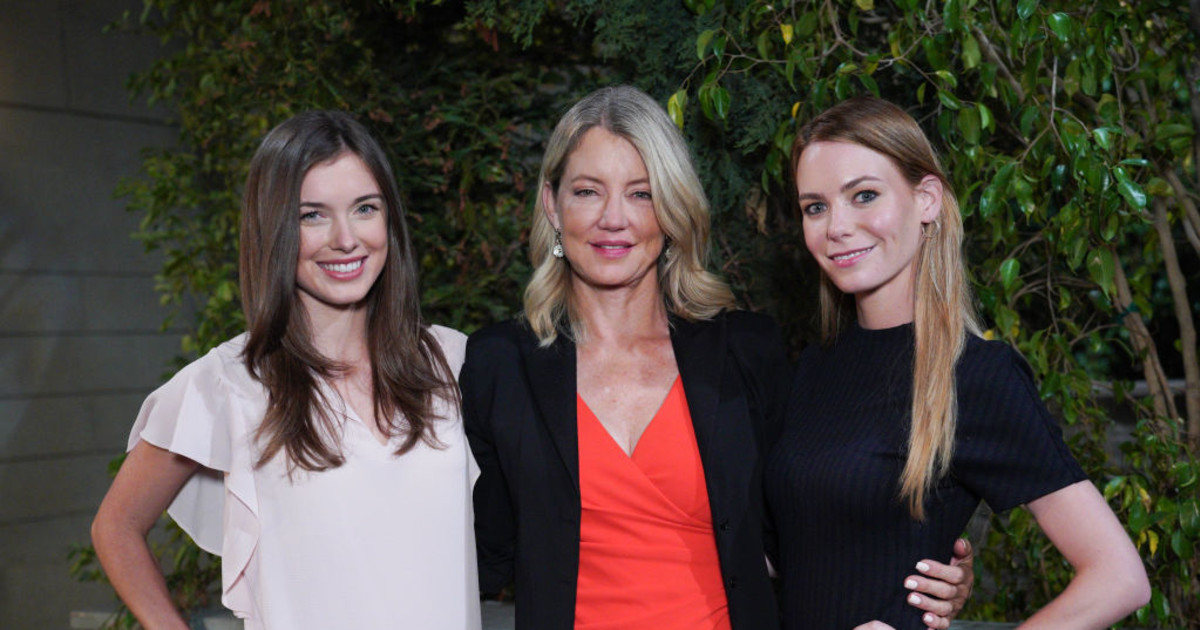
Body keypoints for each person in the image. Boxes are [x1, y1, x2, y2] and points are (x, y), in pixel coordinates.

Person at [461, 85, 971, 630]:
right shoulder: (499, 365)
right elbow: (476, 557)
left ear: (672, 208)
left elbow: (807, 532)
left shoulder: (745, 352)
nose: (614, 218)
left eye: (642, 193)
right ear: (552, 204)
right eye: (587, 191)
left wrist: (919, 578)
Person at [766, 96, 1151, 630]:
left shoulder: (975, 376)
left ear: (926, 199)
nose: (837, 226)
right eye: (816, 207)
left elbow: (1119, 578)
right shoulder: (815, 366)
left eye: (864, 196)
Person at [90, 111, 480, 630]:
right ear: (274, 229)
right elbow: (116, 527)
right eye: (312, 216)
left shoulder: (451, 360)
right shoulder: (229, 384)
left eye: (365, 208)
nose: (346, 238)